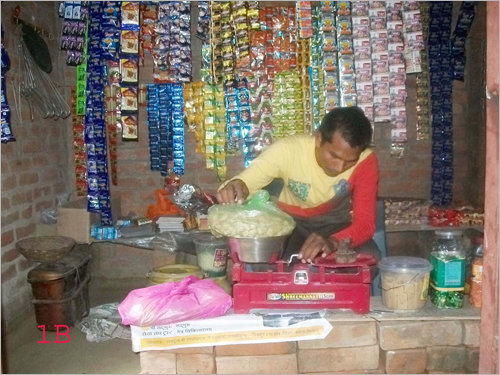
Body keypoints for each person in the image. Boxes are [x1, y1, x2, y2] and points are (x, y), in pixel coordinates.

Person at [217, 107, 381, 270]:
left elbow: (365, 224)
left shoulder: (366, 161)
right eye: (334, 156)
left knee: (370, 261)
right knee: (269, 264)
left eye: (350, 161)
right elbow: (245, 183)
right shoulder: (288, 150)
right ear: (318, 139)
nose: (339, 167)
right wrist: (237, 187)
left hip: (337, 225)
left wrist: (333, 242)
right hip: (290, 224)